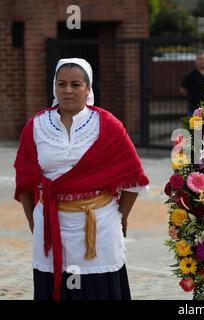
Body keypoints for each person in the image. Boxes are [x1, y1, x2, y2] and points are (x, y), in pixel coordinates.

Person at [14, 58, 150, 300]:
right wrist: (35, 223)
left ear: (88, 89)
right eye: (61, 84)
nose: (67, 90)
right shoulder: (36, 126)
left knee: (99, 289)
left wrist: (121, 217)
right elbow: (24, 180)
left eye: (76, 84)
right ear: (54, 87)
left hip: (99, 226)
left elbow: (134, 177)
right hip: (50, 223)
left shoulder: (107, 124)